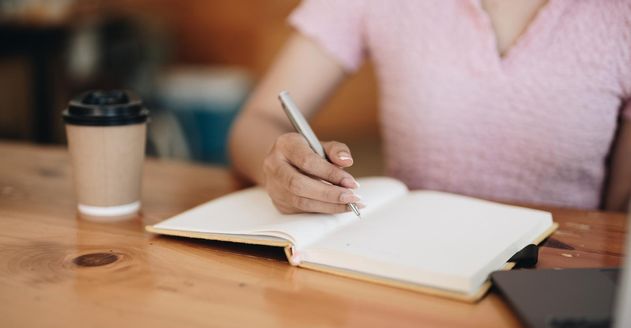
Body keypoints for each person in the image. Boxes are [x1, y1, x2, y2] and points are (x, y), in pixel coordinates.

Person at [229, 0, 631, 214]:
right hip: (412, 271)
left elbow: (618, 219)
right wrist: (284, 170)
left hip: (561, 280)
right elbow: (254, 123)